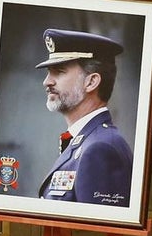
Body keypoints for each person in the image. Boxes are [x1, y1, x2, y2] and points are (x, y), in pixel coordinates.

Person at [36, 28, 133, 207]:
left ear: (91, 82)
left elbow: (96, 233)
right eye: (48, 72)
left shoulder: (100, 148)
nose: (47, 81)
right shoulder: (87, 141)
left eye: (59, 71)